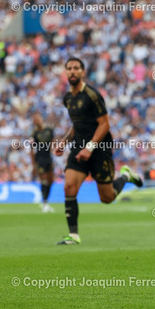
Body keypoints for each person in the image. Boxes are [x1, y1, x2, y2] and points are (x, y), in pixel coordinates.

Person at [53, 57, 143, 245]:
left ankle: (125, 176)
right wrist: (64, 141)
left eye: (76, 68)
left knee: (107, 197)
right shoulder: (68, 98)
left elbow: (104, 125)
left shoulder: (92, 95)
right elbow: (77, 124)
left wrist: (90, 148)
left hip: (99, 148)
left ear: (83, 72)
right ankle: (73, 235)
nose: (72, 71)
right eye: (69, 68)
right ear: (65, 72)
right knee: (69, 186)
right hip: (79, 147)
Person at [31, 113, 55, 213]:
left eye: (38, 119)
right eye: (35, 120)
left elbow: (53, 142)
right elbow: (32, 149)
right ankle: (44, 202)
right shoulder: (34, 134)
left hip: (48, 158)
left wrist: (54, 153)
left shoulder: (49, 130)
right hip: (40, 158)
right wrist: (33, 164)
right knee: (43, 179)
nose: (37, 121)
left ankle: (46, 201)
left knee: (51, 180)